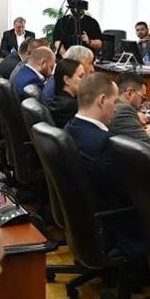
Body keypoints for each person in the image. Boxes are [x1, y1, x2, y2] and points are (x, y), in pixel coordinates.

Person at [64, 73, 124, 209]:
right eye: (115, 102)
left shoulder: (67, 128)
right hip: (108, 214)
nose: (115, 109)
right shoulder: (105, 143)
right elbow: (123, 190)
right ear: (102, 100)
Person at [111, 72, 150, 143]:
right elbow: (147, 144)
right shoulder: (124, 111)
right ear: (129, 93)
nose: (142, 104)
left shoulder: (114, 105)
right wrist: (147, 134)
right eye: (142, 98)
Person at [48, 58, 85, 128]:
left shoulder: (56, 100)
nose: (85, 80)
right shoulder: (71, 106)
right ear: (67, 80)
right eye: (81, 76)